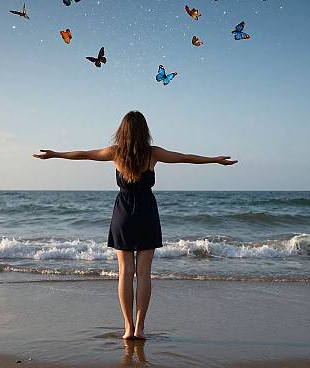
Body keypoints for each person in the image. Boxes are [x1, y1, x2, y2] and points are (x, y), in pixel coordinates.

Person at [33, 110, 238, 341]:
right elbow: (185, 157)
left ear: (122, 131)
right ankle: (140, 329)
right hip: (147, 213)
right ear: (144, 131)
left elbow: (84, 154)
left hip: (123, 215)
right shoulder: (153, 154)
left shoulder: (115, 153)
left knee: (125, 272)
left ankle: (128, 328)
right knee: (143, 273)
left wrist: (55, 154)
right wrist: (214, 160)